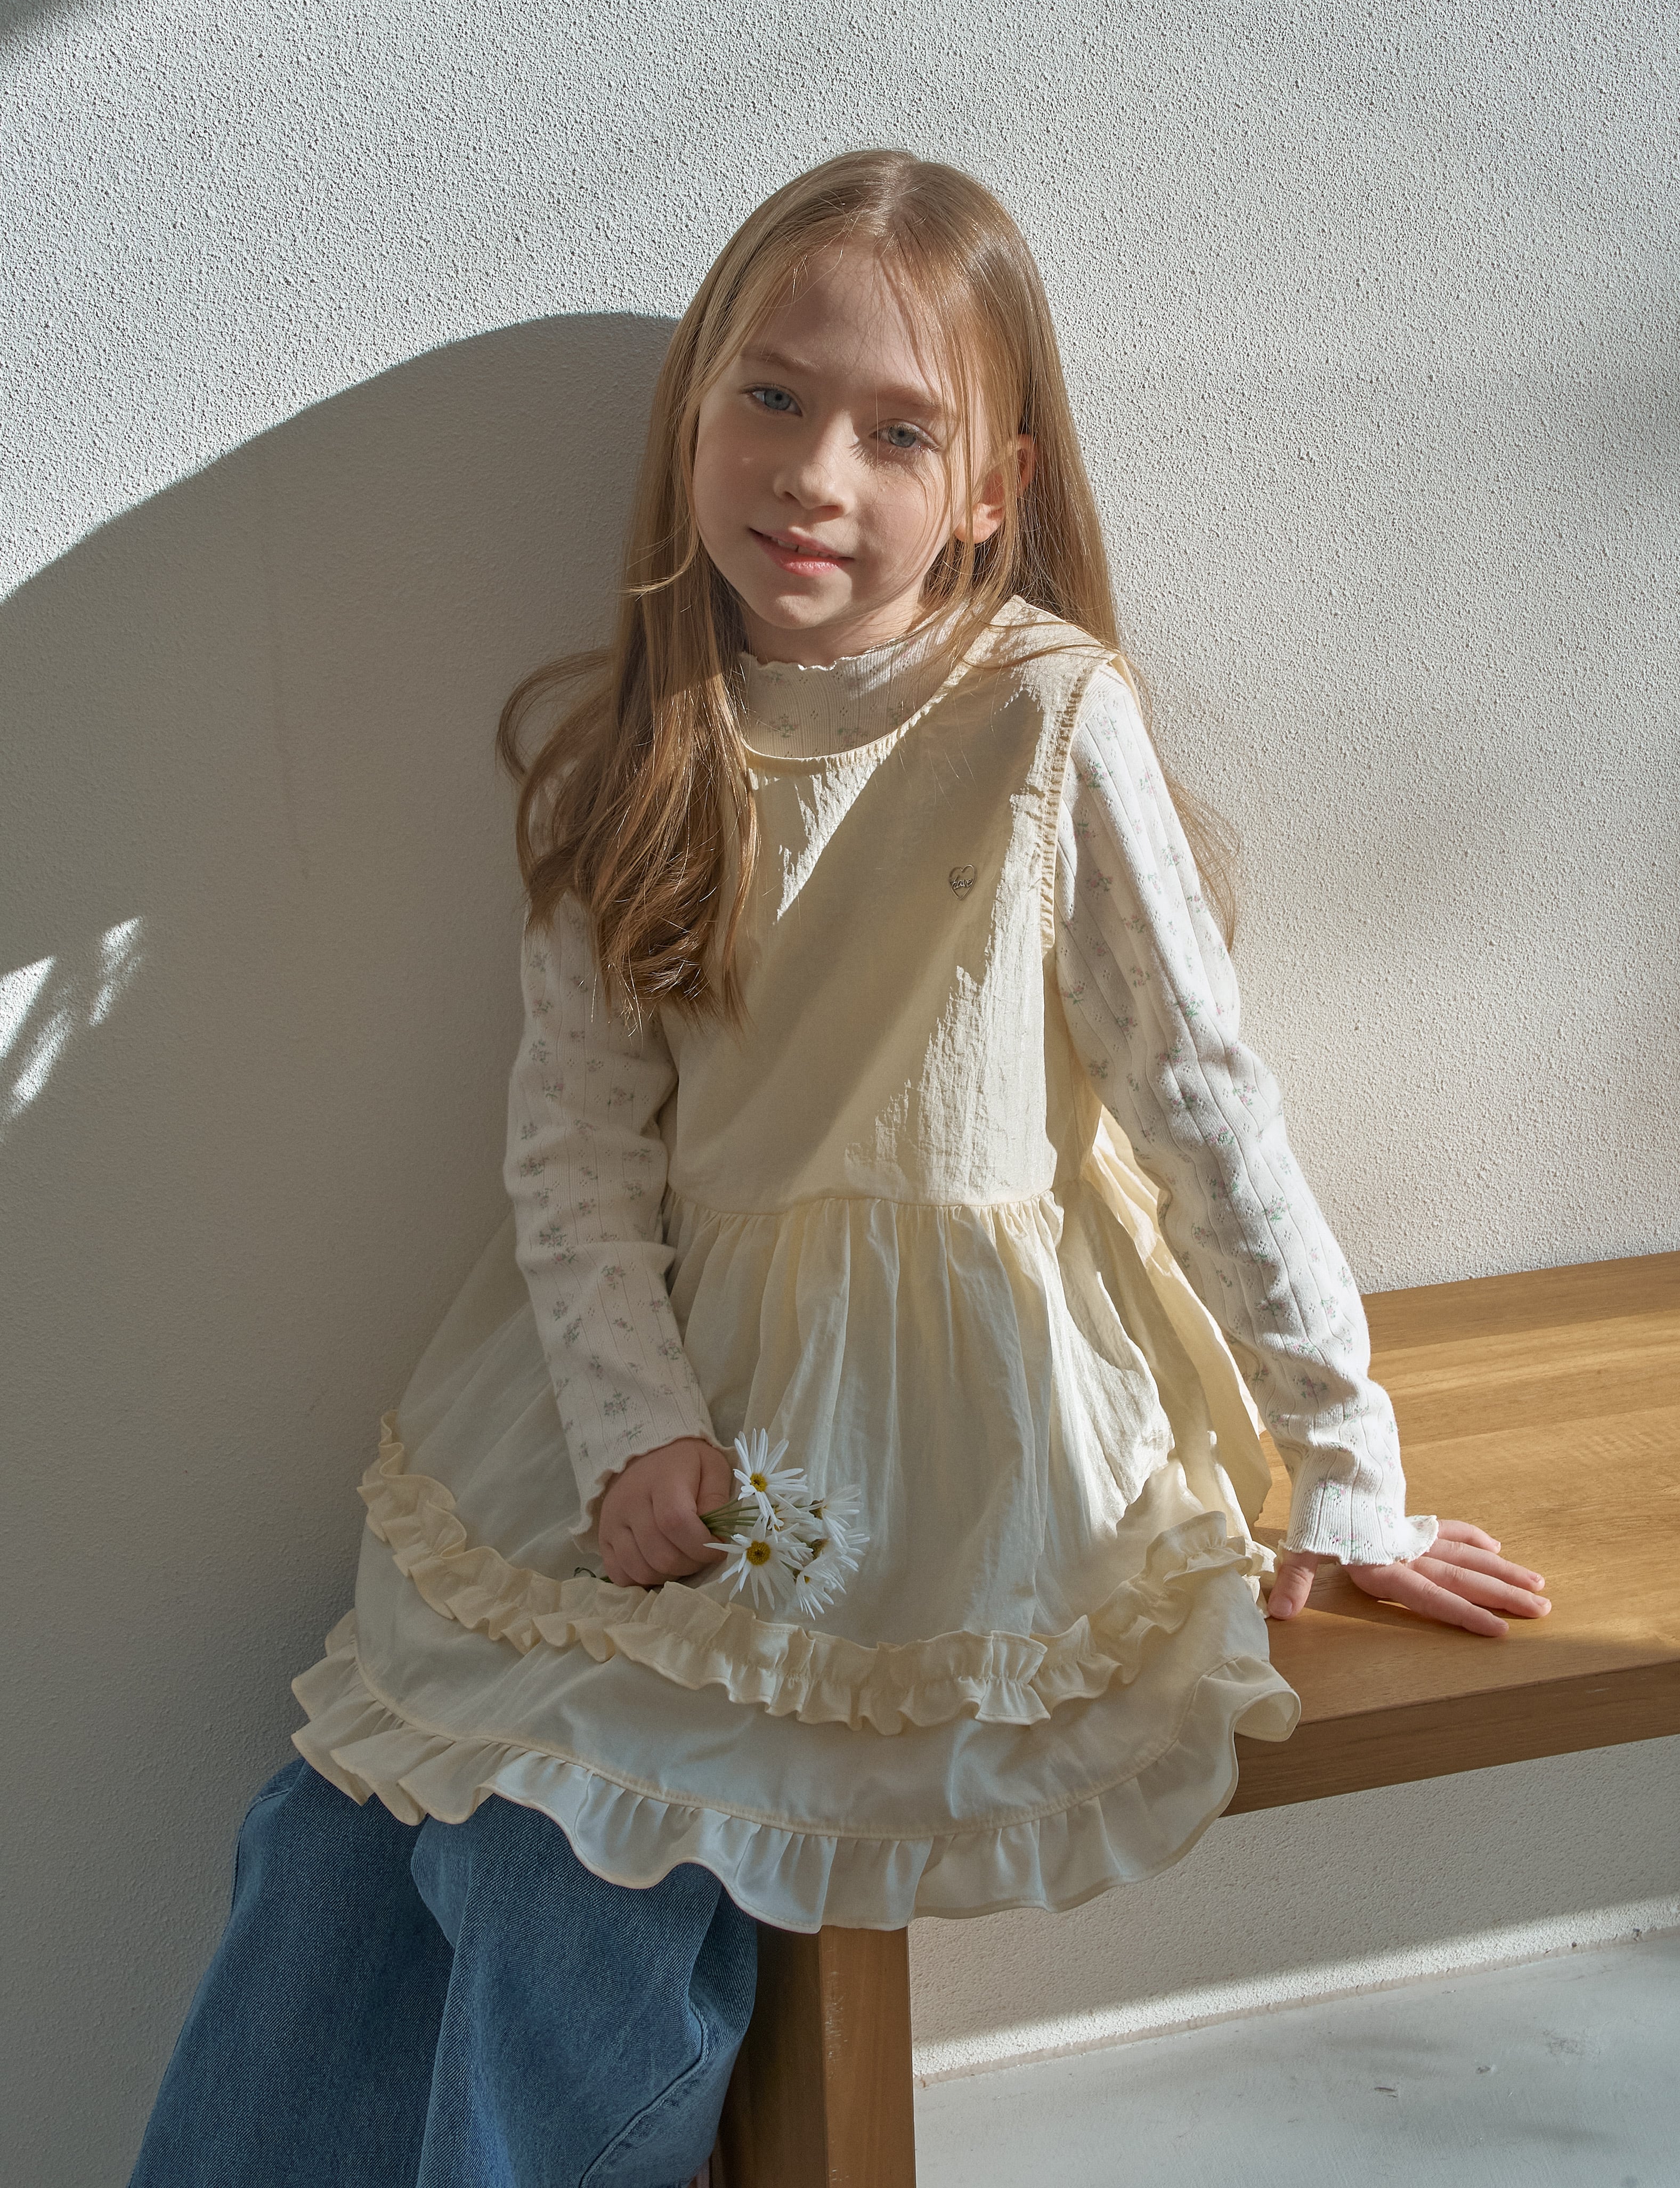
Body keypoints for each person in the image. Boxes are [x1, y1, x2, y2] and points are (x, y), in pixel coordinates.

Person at [129, 150, 1548, 2188]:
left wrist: (1342, 1454)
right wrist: (630, 1426)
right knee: (349, 1815)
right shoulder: (642, 747)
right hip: (662, 1405)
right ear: (695, 411)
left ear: (991, 489)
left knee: (575, 1891)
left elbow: (1199, 1100)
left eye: (898, 432)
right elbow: (574, 1148)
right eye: (774, 399)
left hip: (944, 1440)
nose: (814, 473)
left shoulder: (1041, 719)